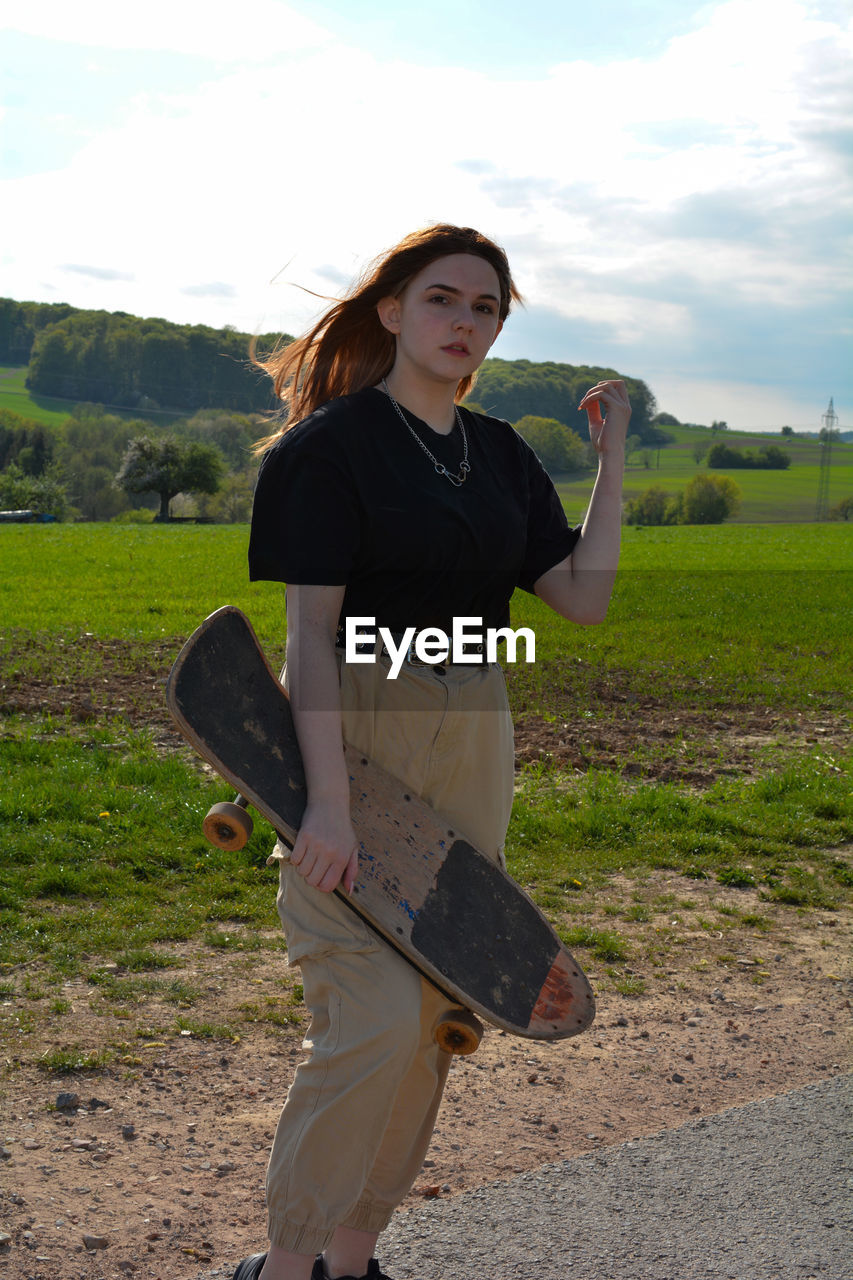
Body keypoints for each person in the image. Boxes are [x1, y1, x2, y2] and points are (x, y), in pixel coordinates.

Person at [235, 224, 630, 1280]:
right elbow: (309, 636)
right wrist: (321, 804)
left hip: (473, 738)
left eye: (485, 308)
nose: (465, 322)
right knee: (367, 1017)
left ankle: (356, 1258)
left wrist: (612, 463)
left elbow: (580, 601)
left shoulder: (498, 452)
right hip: (354, 736)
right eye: (443, 299)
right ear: (392, 311)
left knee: (429, 1019)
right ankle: (284, 1264)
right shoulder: (332, 450)